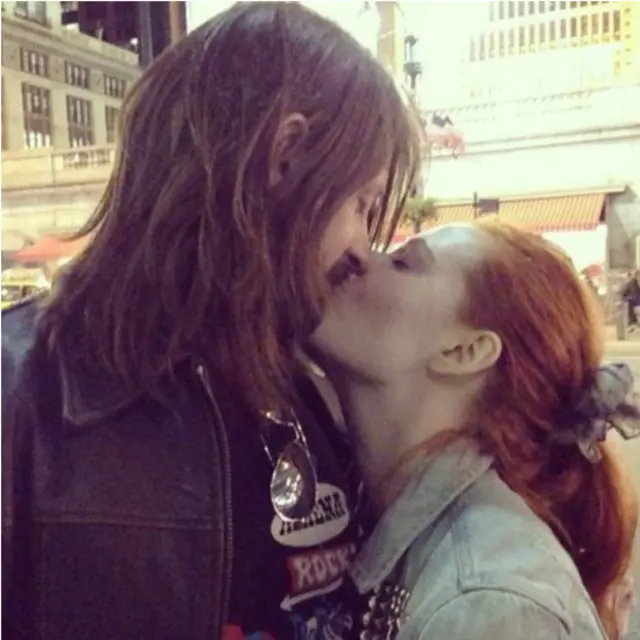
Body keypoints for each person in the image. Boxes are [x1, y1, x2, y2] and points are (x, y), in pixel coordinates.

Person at [1, 4, 425, 639]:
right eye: (362, 204)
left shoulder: (312, 392)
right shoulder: (19, 397)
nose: (365, 250)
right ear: (285, 156)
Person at [309, 221, 639, 639]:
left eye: (402, 262)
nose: (360, 255)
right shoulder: (383, 523)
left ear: (463, 351)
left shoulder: (487, 604)